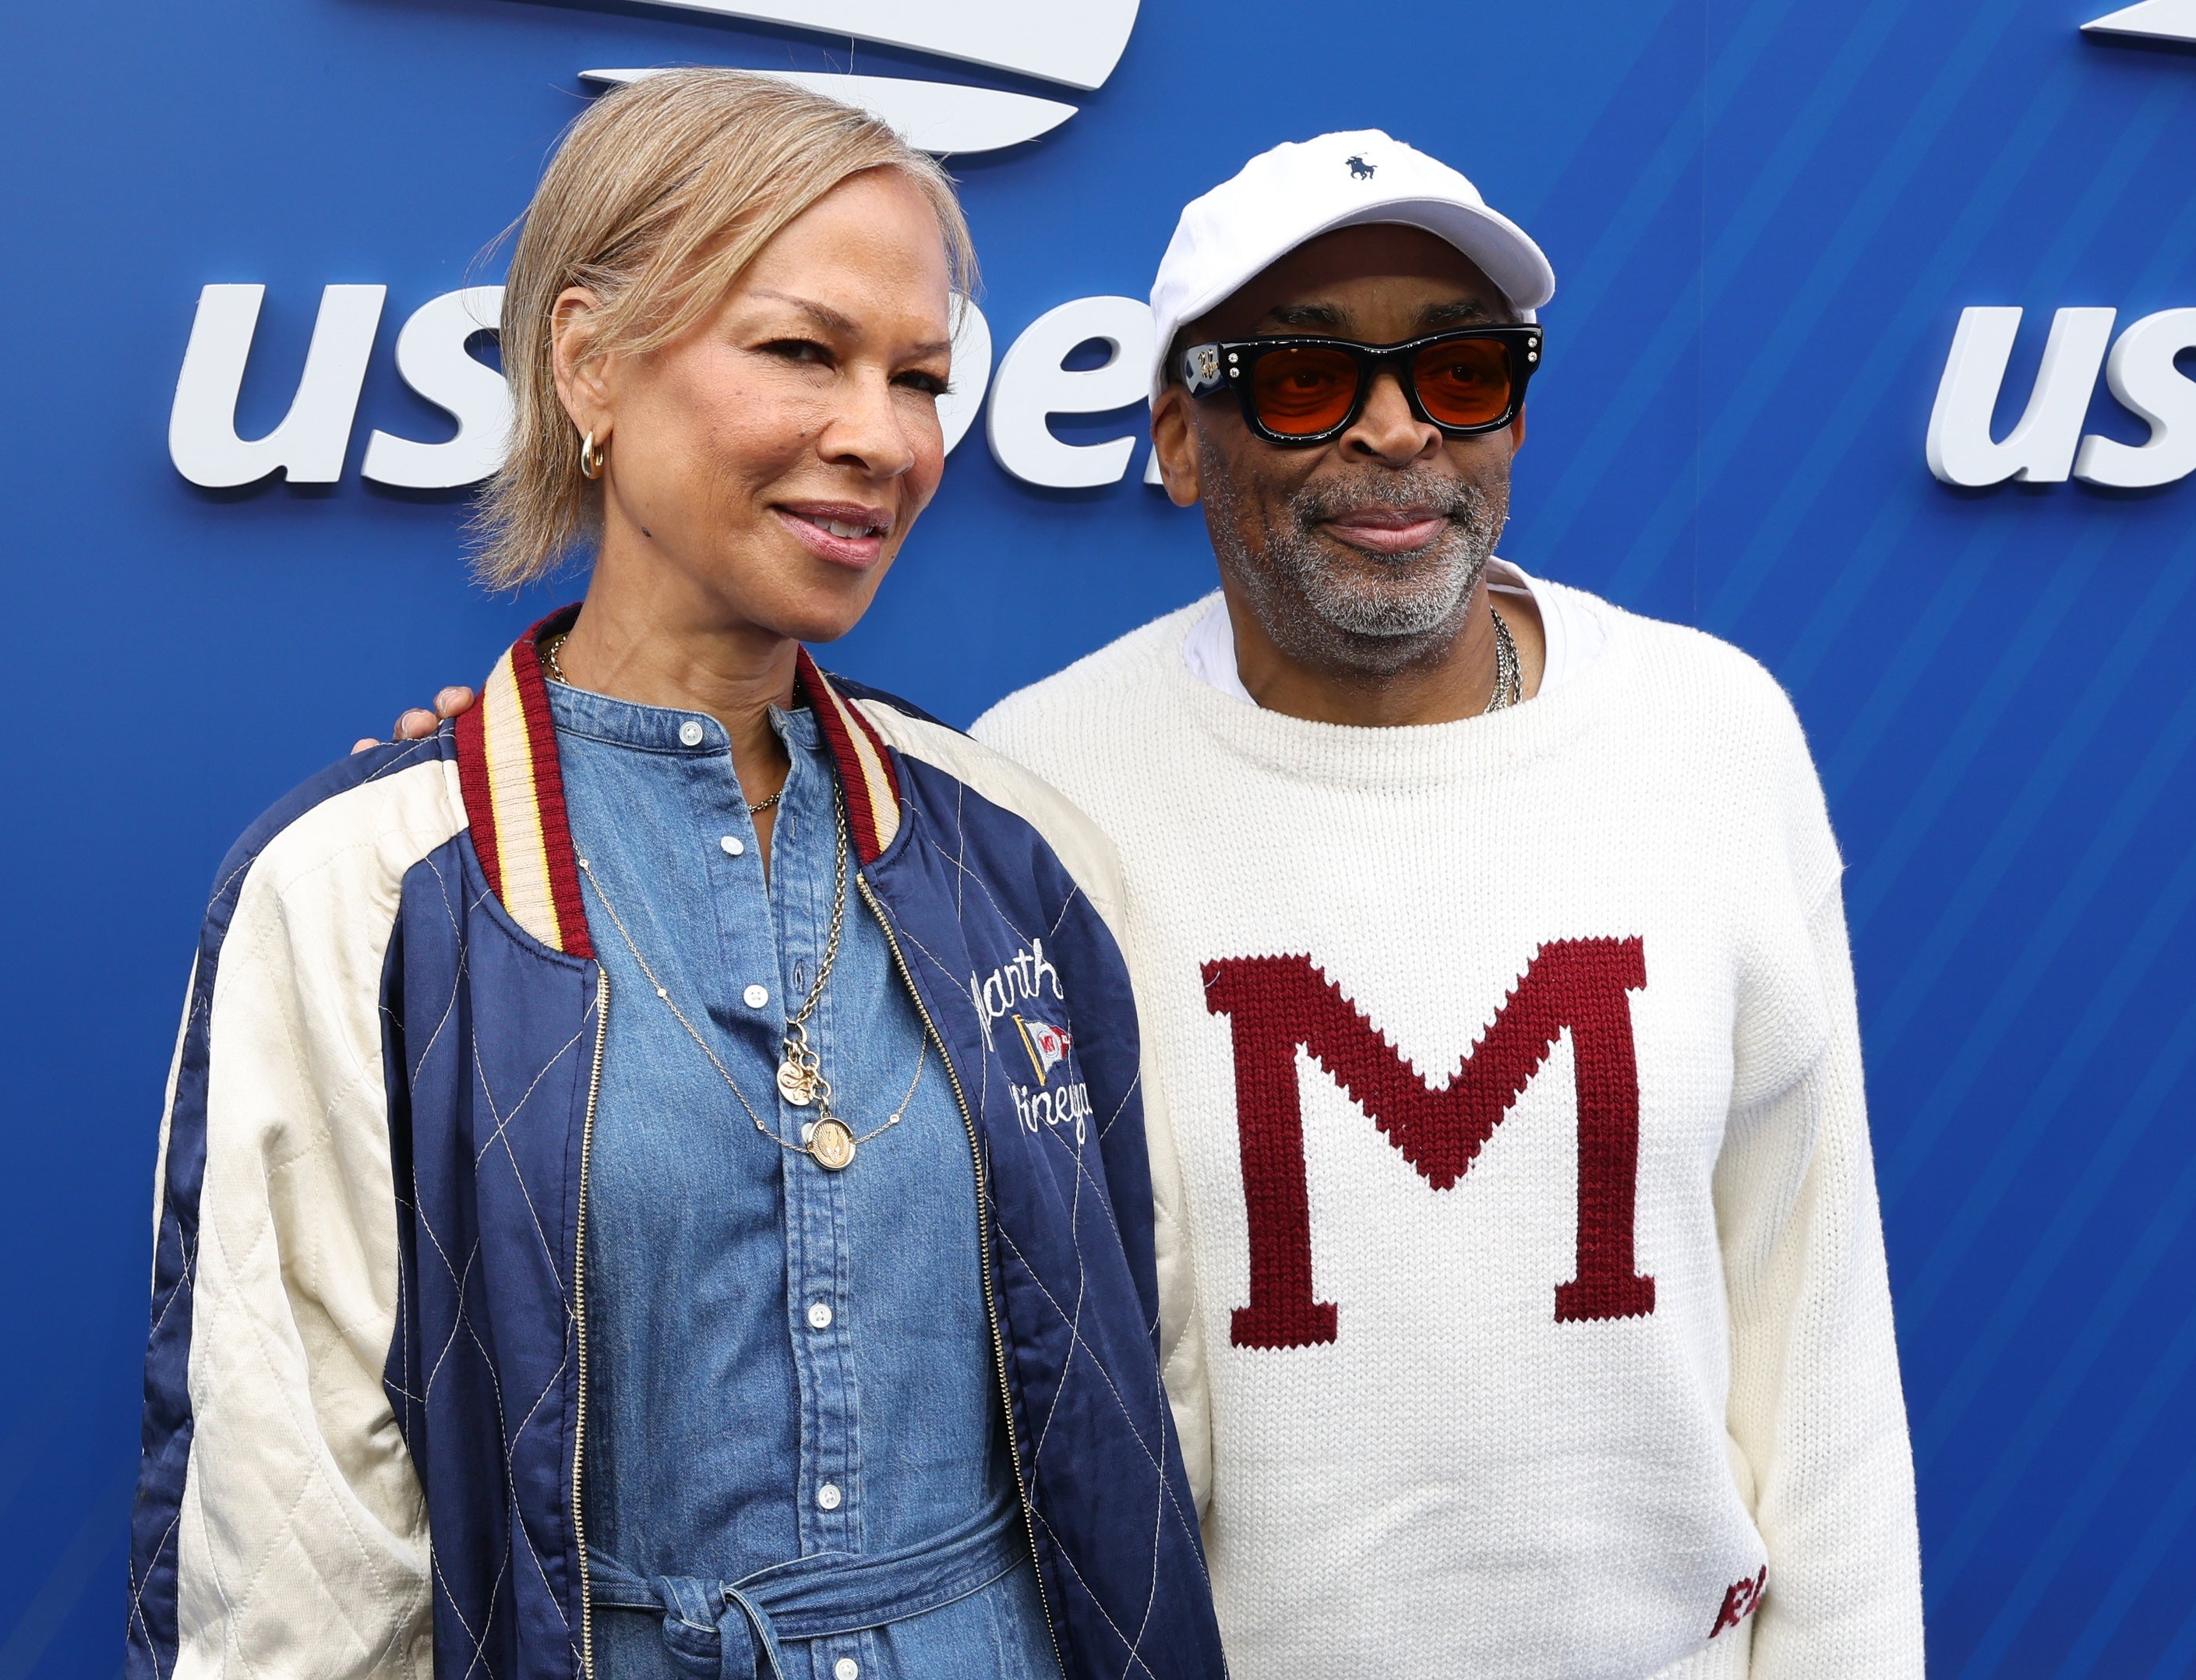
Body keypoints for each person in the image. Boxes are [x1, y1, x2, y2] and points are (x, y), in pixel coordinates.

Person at [383, 129, 1926, 1678]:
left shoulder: (1712, 732)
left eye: (1463, 369)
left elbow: (1820, 1327)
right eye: (1304, 380)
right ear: (1183, 439)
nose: (1398, 433)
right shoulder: (1031, 796)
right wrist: (561, 780)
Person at [128, 71, 1222, 1680]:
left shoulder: (1020, 851)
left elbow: (1156, 1413)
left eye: (919, 377)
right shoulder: (362, 888)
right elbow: (292, 1545)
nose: (879, 435)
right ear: (588, 360)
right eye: (801, 349)